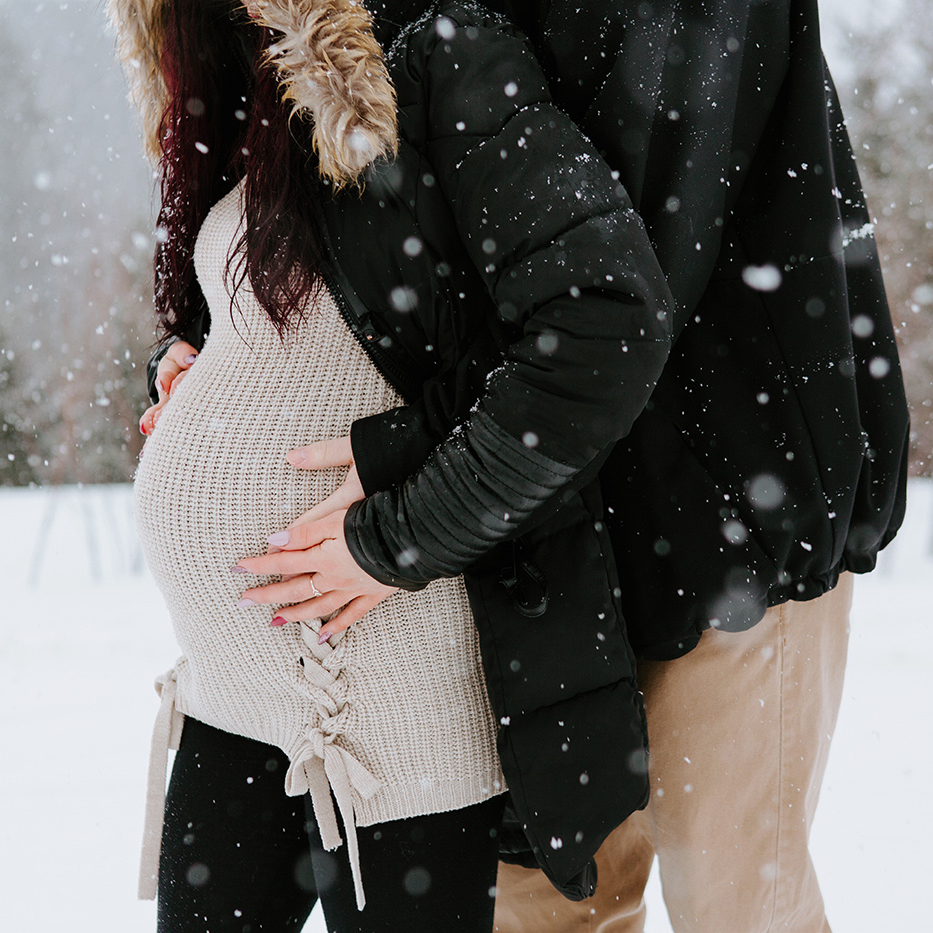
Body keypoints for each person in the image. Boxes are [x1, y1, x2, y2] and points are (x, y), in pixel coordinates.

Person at [149, 2, 912, 931]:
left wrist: (416, 469)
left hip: (721, 513)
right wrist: (219, 352)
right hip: (538, 537)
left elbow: (622, 284)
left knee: (736, 896)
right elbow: (398, 241)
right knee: (555, 909)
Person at [114, 0, 675, 929]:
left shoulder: (444, 55)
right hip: (232, 689)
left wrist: (393, 537)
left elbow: (604, 324)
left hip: (385, 712)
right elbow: (305, 318)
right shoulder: (250, 75)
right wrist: (193, 360)